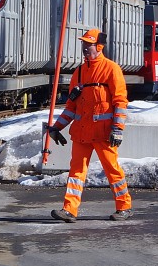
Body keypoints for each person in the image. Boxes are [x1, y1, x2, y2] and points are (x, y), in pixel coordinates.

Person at [45, 28, 133, 222]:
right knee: (76, 173)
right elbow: (71, 106)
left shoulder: (111, 69)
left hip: (103, 134)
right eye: (83, 44)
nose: (84, 48)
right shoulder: (79, 71)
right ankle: (69, 210)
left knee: (112, 170)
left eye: (88, 44)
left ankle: (124, 206)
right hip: (82, 133)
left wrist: (118, 129)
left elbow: (120, 101)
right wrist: (57, 127)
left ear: (99, 46)